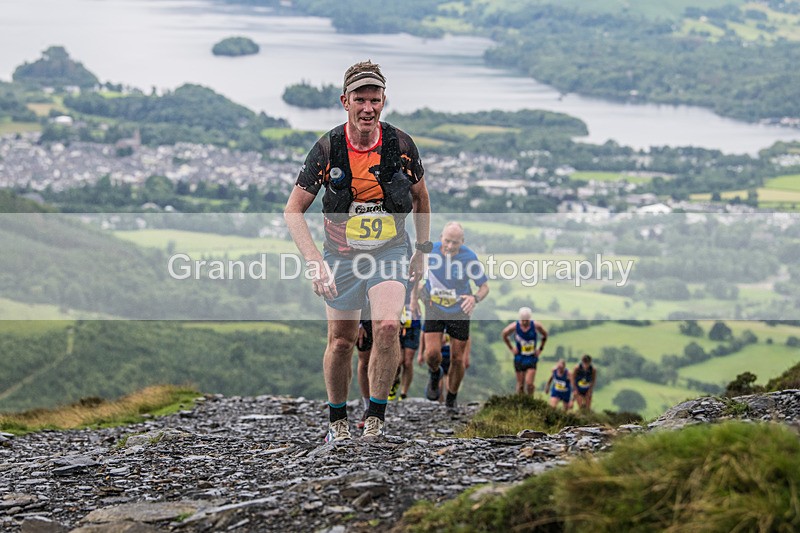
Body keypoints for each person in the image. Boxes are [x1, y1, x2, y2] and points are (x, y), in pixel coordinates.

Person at [284, 60, 431, 442]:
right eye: (360, 100)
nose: (368, 108)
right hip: (341, 255)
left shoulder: (401, 145)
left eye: (375, 100)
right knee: (342, 341)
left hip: (390, 250)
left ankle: (375, 418)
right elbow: (293, 210)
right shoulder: (328, 148)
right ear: (344, 101)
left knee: (387, 326)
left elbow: (421, 197)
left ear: (384, 100)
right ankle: (337, 421)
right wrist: (315, 262)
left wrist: (421, 250)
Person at [420, 222, 489, 410]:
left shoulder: (469, 258)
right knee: (432, 354)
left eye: (455, 243)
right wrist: (417, 296)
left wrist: (474, 298)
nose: (450, 246)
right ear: (441, 238)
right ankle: (435, 373)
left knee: (457, 358)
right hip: (434, 307)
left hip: (459, 310)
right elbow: (417, 275)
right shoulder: (430, 251)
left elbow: (484, 287)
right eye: (447, 241)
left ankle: (451, 397)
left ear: (462, 242)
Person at [501, 307, 547, 396]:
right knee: (520, 384)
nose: (525, 322)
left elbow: (545, 334)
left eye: (527, 320)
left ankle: (530, 400)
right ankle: (520, 402)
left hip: (531, 357)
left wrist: (540, 349)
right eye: (523, 320)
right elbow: (504, 334)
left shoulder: (536, 325)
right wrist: (511, 348)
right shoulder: (515, 326)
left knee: (529, 383)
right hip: (519, 357)